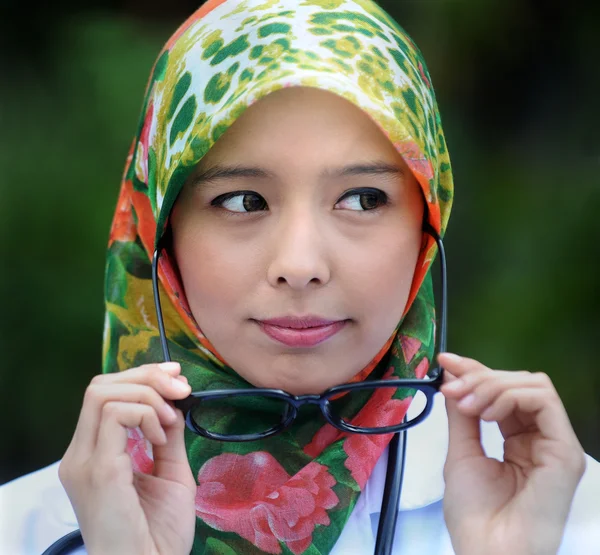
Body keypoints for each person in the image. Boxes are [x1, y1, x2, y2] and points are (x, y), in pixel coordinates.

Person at [2, 1, 599, 554]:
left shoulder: (566, 518)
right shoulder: (25, 529)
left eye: (363, 198)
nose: (300, 266)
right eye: (241, 201)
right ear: (160, 235)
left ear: (427, 225)